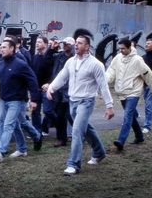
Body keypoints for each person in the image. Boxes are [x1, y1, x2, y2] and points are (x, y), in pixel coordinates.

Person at [47, 36, 115, 175]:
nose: (76, 45)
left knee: (77, 131)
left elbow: (103, 86)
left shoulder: (96, 64)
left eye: (80, 43)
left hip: (86, 101)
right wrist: (51, 88)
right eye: (76, 43)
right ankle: (99, 152)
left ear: (87, 46)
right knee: (85, 128)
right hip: (73, 101)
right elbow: (62, 77)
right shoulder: (70, 62)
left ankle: (73, 164)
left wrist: (109, 106)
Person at [0, 39, 40, 163]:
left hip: (16, 100)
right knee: (14, 124)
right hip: (3, 99)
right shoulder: (1, 64)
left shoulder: (20, 64)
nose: (1, 49)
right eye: (1, 47)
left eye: (5, 47)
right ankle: (23, 147)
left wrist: (34, 99)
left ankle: (0, 151)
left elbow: (32, 81)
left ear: (12, 48)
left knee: (8, 125)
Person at [106, 38, 152, 151]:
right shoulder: (118, 58)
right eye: (119, 48)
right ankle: (139, 136)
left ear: (130, 47)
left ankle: (121, 140)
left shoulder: (138, 60)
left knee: (128, 115)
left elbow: (148, 76)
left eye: (123, 48)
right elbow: (111, 71)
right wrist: (104, 82)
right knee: (130, 116)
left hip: (134, 92)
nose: (121, 50)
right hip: (122, 92)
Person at [43, 36, 75, 147]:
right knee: (60, 116)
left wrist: (73, 48)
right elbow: (46, 60)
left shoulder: (75, 57)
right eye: (63, 44)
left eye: (67, 44)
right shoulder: (59, 56)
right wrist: (52, 48)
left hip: (71, 90)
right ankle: (62, 138)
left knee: (71, 115)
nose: (64, 46)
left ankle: (81, 134)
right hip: (59, 90)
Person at [31, 36, 51, 135]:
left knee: (48, 111)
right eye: (36, 42)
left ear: (46, 44)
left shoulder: (49, 58)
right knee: (35, 111)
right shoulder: (34, 58)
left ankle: (48, 127)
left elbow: (54, 73)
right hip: (35, 89)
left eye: (39, 42)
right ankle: (37, 132)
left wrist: (49, 84)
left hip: (46, 90)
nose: (37, 44)